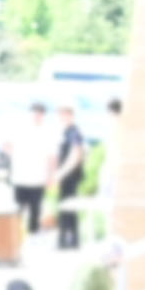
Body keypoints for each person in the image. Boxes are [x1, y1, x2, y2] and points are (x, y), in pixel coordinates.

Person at [48, 104, 93, 249]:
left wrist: (61, 173)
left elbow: (76, 154)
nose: (63, 117)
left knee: (69, 208)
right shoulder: (66, 132)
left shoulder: (74, 132)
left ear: (71, 115)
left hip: (70, 177)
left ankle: (70, 240)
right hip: (65, 177)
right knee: (65, 208)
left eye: (65, 114)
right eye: (61, 114)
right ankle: (67, 239)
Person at [11, 100, 54, 239]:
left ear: (43, 115)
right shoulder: (20, 130)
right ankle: (15, 237)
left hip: (38, 178)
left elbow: (51, 157)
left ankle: (33, 237)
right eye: (34, 113)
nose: (36, 116)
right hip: (20, 177)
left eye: (39, 113)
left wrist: (50, 176)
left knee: (35, 210)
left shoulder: (48, 132)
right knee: (18, 209)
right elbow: (9, 147)